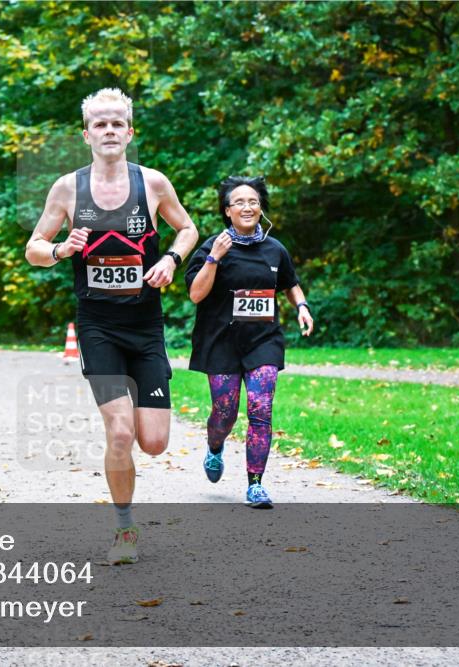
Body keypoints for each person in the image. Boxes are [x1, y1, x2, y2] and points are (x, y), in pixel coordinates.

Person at [25, 88, 198, 564]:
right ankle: (124, 531)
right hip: (97, 325)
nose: (108, 131)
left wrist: (170, 258)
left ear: (129, 132)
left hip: (146, 327)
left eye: (116, 123)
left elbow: (188, 228)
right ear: (86, 134)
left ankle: (137, 462)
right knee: (120, 434)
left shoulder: (154, 183)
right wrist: (62, 249)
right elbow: (34, 247)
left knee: (155, 442)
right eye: (99, 124)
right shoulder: (68, 188)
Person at [184, 176, 314, 508]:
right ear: (227, 211)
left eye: (253, 201)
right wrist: (214, 257)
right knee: (225, 412)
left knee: (261, 409)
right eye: (239, 202)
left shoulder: (275, 249)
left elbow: (290, 283)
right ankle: (215, 446)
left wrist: (301, 306)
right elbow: (196, 294)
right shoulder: (212, 245)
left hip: (263, 341)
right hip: (221, 341)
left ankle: (255, 484)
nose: (247, 206)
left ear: (261, 209)